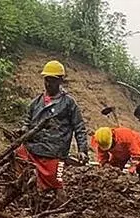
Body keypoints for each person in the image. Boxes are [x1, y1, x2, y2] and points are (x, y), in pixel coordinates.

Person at [15, 60, 88, 201]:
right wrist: (23, 129)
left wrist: (82, 150)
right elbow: (27, 120)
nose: (48, 83)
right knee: (18, 155)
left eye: (52, 80)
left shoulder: (68, 103)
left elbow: (79, 127)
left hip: (55, 152)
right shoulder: (36, 102)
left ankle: (62, 209)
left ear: (60, 80)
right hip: (34, 148)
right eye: (46, 80)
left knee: (57, 184)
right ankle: (27, 197)